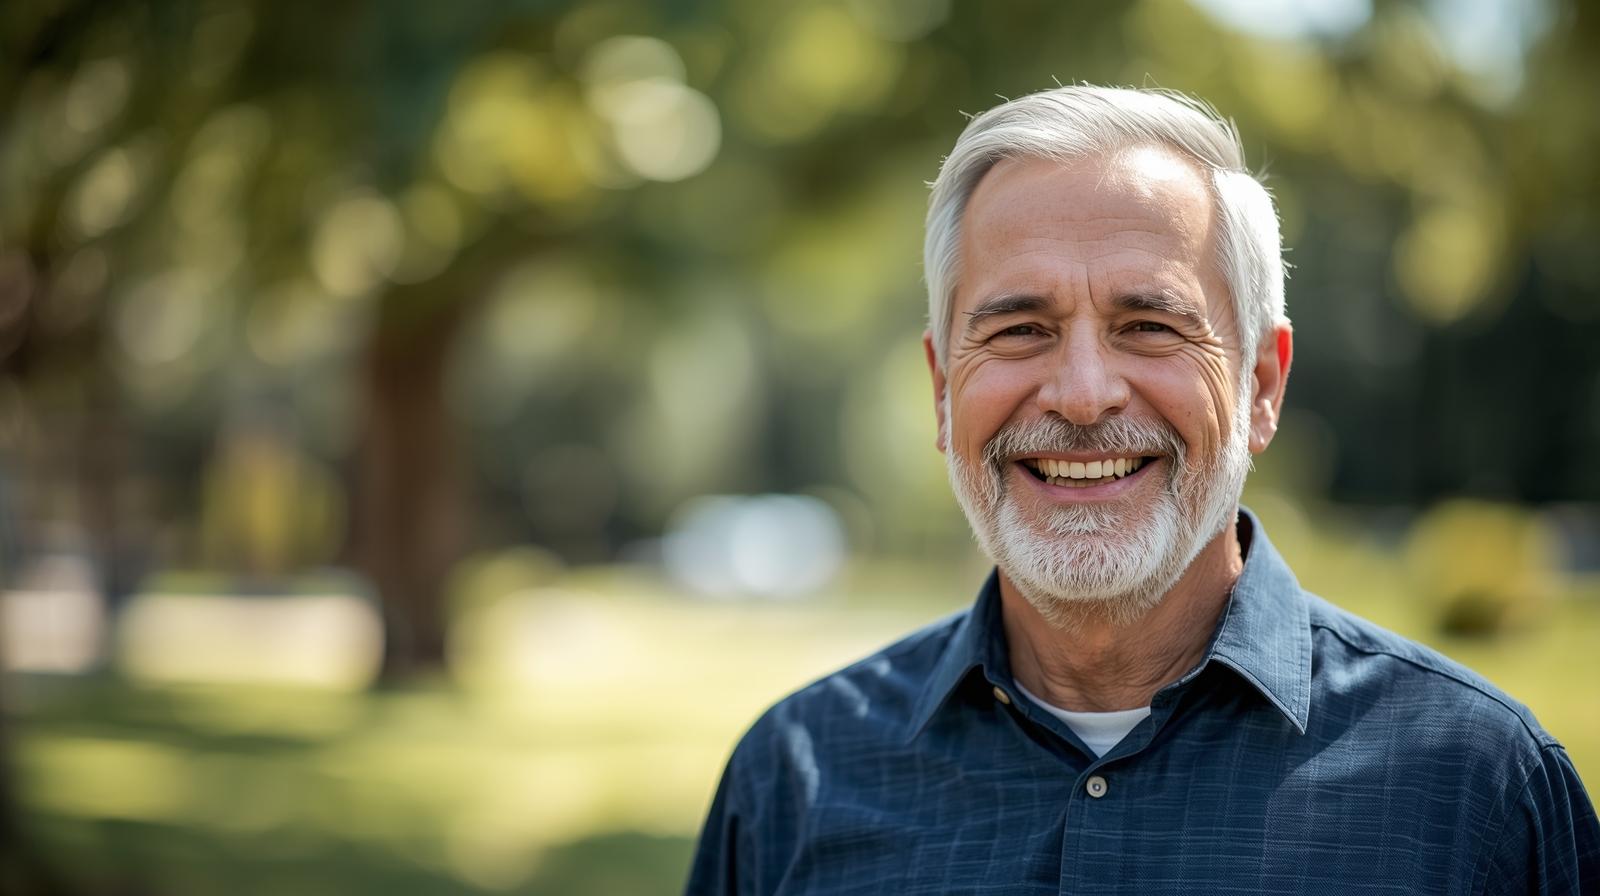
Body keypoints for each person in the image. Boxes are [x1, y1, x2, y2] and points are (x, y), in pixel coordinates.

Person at [683, 86, 1599, 895]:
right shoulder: (793, 783)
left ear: (1261, 388)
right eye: (1021, 330)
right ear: (940, 389)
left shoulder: (1475, 786)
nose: (1083, 395)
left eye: (1151, 325)